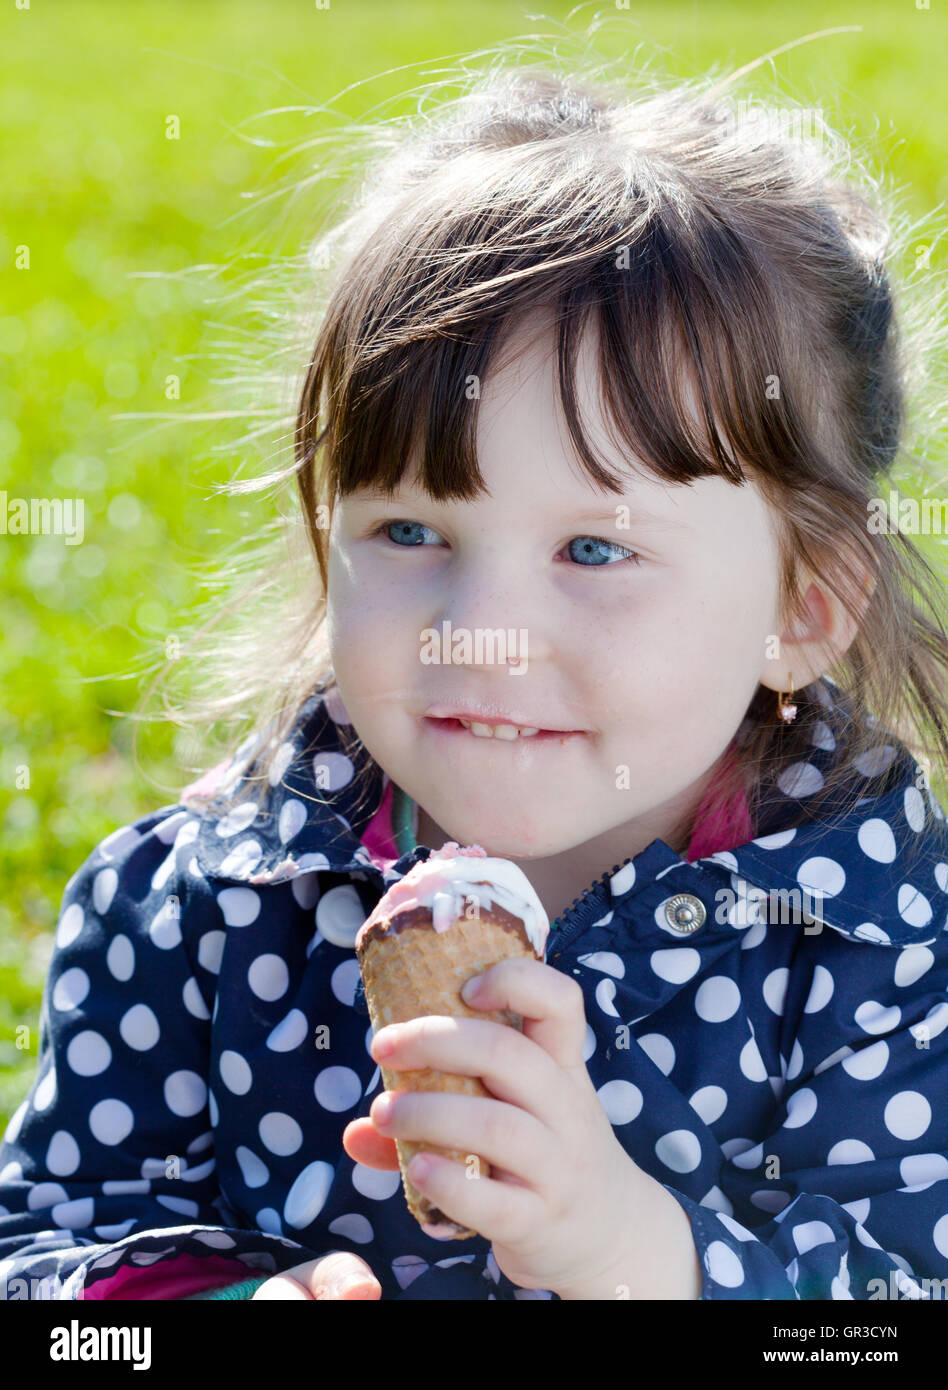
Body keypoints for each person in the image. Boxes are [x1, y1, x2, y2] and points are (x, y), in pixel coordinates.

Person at [3, 61, 948, 1302]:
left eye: (596, 548)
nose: (482, 634)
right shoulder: (199, 911)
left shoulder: (877, 947)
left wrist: (634, 1251)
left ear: (803, 607)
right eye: (411, 532)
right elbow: (44, 1277)